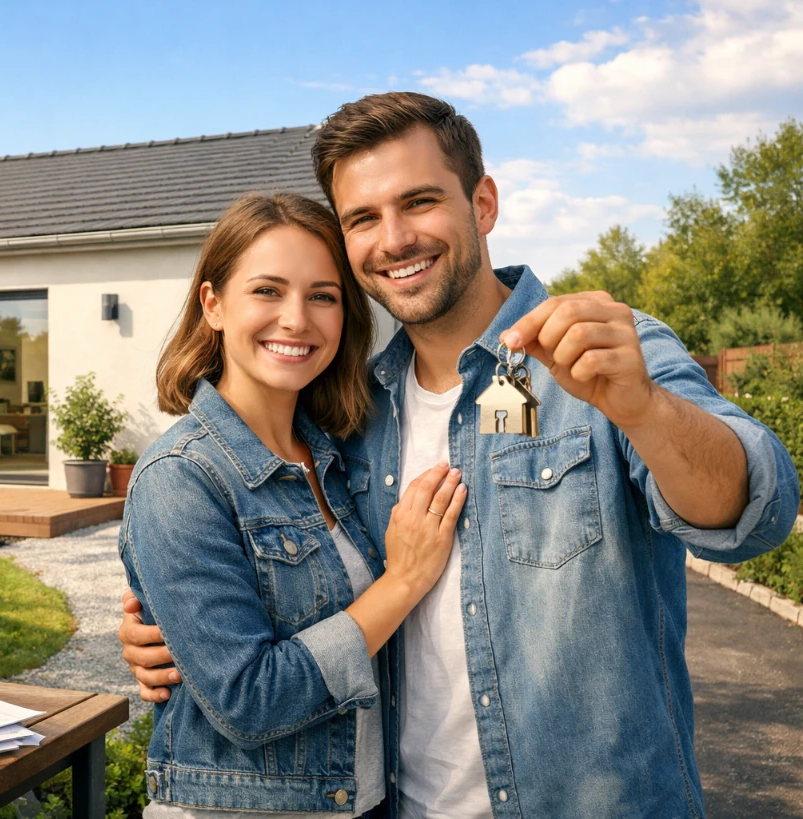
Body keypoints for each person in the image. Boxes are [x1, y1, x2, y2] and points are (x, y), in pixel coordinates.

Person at [120, 92, 801, 818]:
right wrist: (174, 636)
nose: (394, 239)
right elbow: (287, 607)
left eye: (419, 202)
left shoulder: (604, 358)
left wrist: (646, 410)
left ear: (483, 203)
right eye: (363, 218)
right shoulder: (354, 415)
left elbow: (754, 513)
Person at [119, 190, 469, 817]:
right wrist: (404, 580)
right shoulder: (181, 476)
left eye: (322, 296)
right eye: (267, 291)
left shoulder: (339, 456)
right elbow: (248, 701)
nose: (296, 319)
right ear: (213, 304)